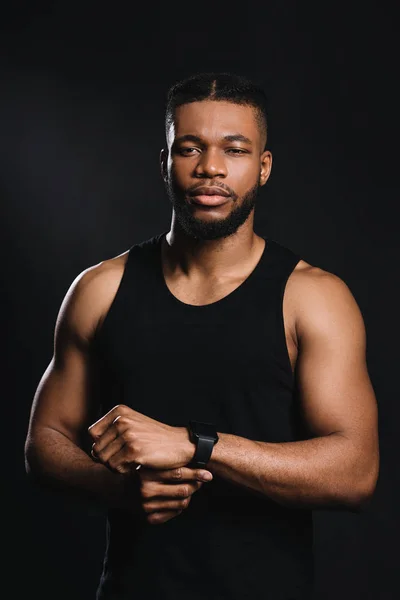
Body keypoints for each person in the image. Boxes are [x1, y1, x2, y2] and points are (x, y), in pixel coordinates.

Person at [24, 72, 379, 600]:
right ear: (165, 162)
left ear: (263, 166)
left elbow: (355, 474)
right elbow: (43, 445)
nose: (210, 168)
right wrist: (119, 488)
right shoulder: (100, 289)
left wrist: (198, 445)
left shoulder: (313, 298)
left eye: (234, 150)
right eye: (190, 148)